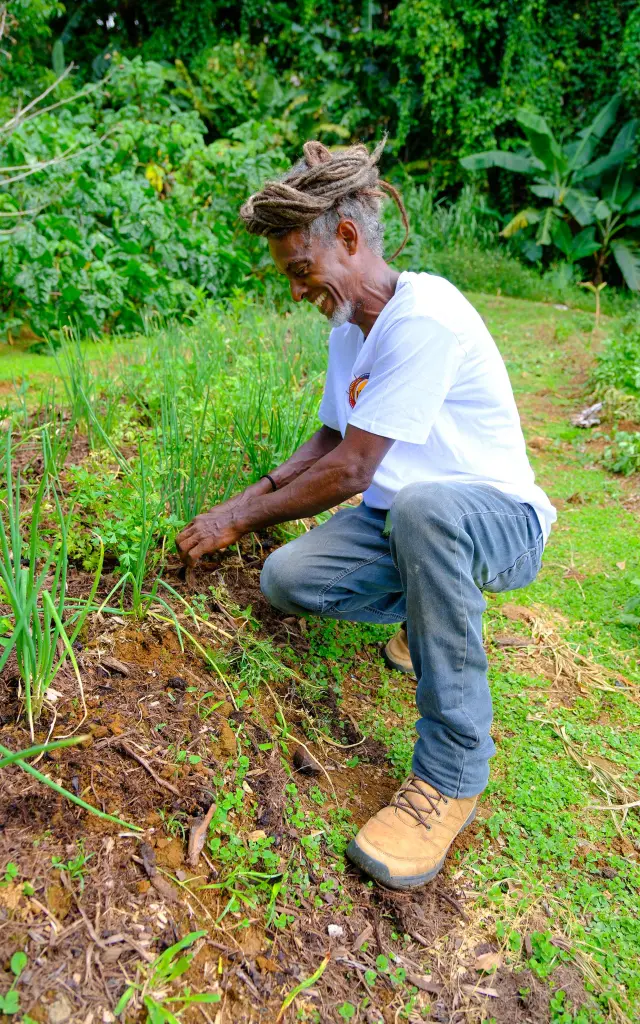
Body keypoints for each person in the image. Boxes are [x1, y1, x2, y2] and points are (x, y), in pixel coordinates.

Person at [176, 138, 556, 891]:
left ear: (347, 239)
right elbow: (329, 436)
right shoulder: (350, 326)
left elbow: (353, 468)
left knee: (422, 511)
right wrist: (245, 499)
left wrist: (237, 522)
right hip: (410, 523)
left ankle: (451, 774)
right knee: (288, 577)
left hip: (497, 522)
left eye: (299, 270)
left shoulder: (425, 317)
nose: (295, 290)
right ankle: (429, 616)